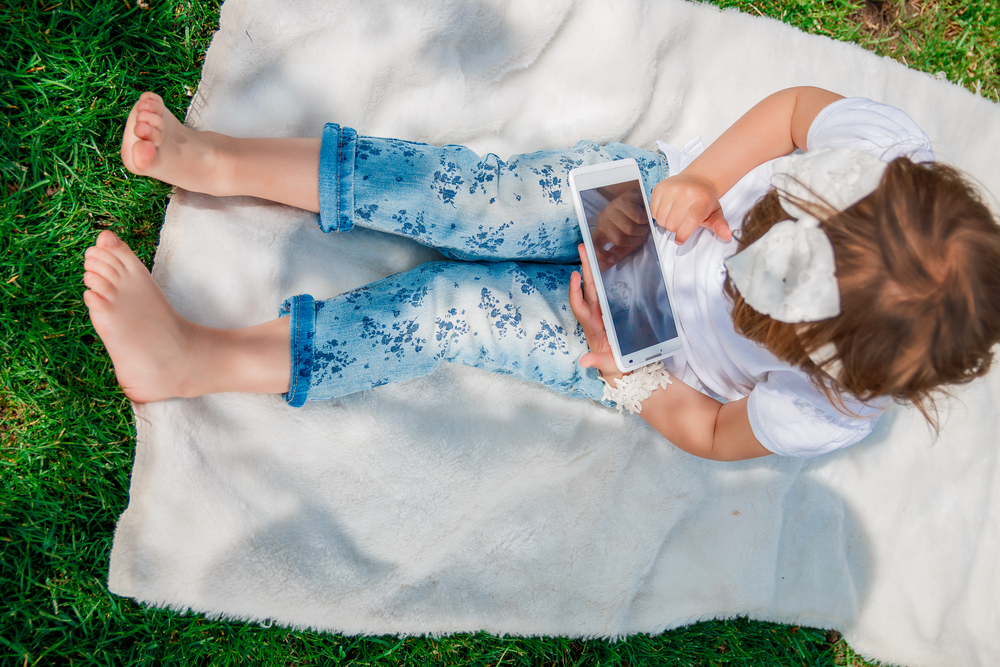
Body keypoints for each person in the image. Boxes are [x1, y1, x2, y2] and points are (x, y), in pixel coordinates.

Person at [83, 87, 1000, 462]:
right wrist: (709, 178)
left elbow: (719, 431)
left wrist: (625, 371)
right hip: (639, 203)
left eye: (755, 296)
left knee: (450, 310)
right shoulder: (883, 155)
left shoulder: (833, 403)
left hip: (644, 346)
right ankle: (226, 164)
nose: (738, 269)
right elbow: (798, 113)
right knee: (467, 197)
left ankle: (197, 359)